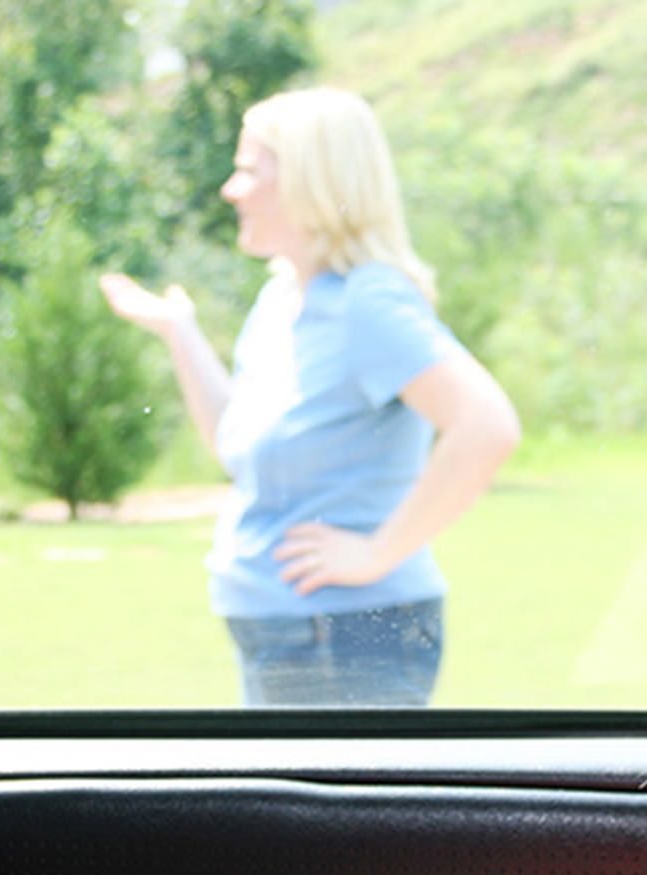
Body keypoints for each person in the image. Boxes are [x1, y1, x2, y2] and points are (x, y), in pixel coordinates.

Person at [99, 86, 519, 707]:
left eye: (247, 169)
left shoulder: (367, 302)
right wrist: (178, 331)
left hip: (344, 641)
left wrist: (377, 553)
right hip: (290, 638)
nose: (230, 189)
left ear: (306, 180)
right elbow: (234, 443)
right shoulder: (281, 299)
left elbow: (487, 426)